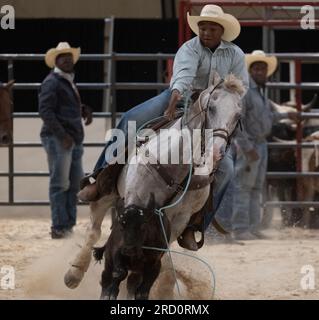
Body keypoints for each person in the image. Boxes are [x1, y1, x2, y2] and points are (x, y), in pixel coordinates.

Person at [78, 5, 249, 248]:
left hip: (212, 112)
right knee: (130, 119)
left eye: (212, 28)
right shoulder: (189, 49)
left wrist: (227, 109)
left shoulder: (235, 54)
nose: (206, 32)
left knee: (227, 170)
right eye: (202, 28)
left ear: (222, 30)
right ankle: (99, 179)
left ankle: (195, 224)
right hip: (182, 101)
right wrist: (175, 98)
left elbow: (241, 89)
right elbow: (182, 76)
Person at [231, 50, 299, 240]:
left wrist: (286, 115)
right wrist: (246, 147)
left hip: (260, 143)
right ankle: (240, 228)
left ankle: (251, 227)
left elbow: (268, 116)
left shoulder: (260, 91)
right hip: (251, 144)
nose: (260, 72)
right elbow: (238, 121)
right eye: (257, 68)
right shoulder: (245, 92)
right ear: (251, 71)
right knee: (244, 187)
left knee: (256, 187)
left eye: (263, 69)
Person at [39, 42, 93, 239]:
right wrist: (62, 136)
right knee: (61, 183)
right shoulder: (53, 82)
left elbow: (57, 108)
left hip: (69, 139)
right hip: (60, 139)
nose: (68, 59)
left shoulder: (64, 80)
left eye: (69, 56)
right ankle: (60, 226)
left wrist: (82, 109)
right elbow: (45, 111)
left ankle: (66, 225)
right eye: (63, 57)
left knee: (72, 183)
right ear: (56, 60)